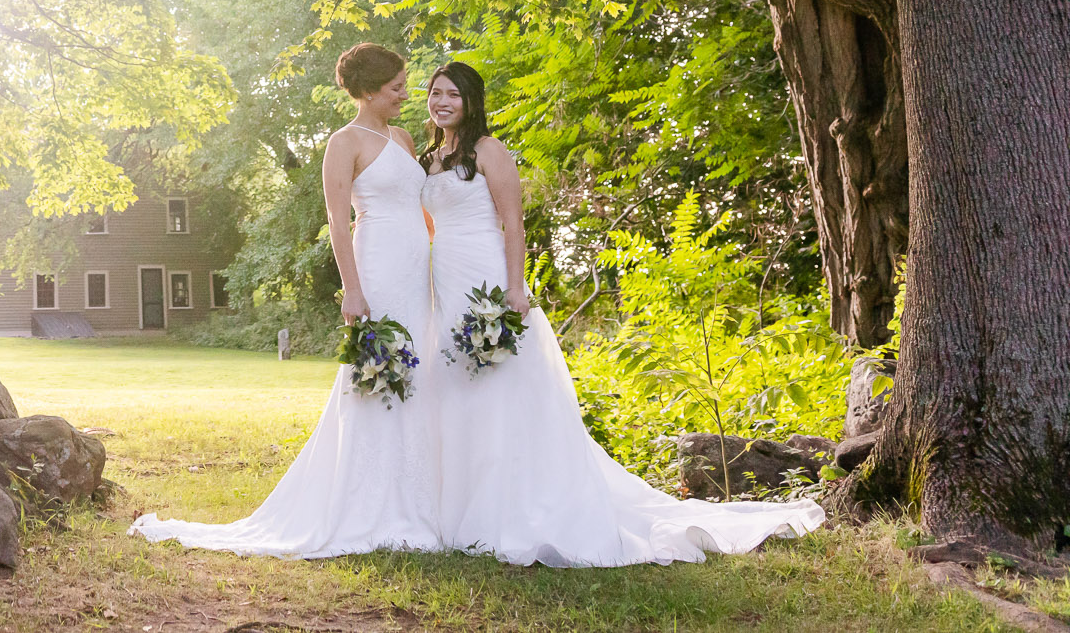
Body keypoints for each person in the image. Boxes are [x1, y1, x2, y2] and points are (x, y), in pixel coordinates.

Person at [421, 59, 824, 565]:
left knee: (500, 392)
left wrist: (515, 289)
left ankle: (508, 505)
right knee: (455, 388)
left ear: (472, 101)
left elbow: (513, 225)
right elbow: (428, 230)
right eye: (436, 92)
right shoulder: (431, 159)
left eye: (452, 94)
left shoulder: (490, 151)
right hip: (446, 283)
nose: (442, 101)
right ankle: (453, 505)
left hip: (485, 279)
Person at [129, 44, 443, 557]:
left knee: (417, 371)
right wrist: (354, 289)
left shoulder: (405, 138)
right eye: (396, 87)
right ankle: (369, 502)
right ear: (368, 91)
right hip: (377, 269)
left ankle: (418, 497)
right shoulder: (344, 144)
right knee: (377, 376)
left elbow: (423, 208)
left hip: (415, 273)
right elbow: (339, 225)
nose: (406, 94)